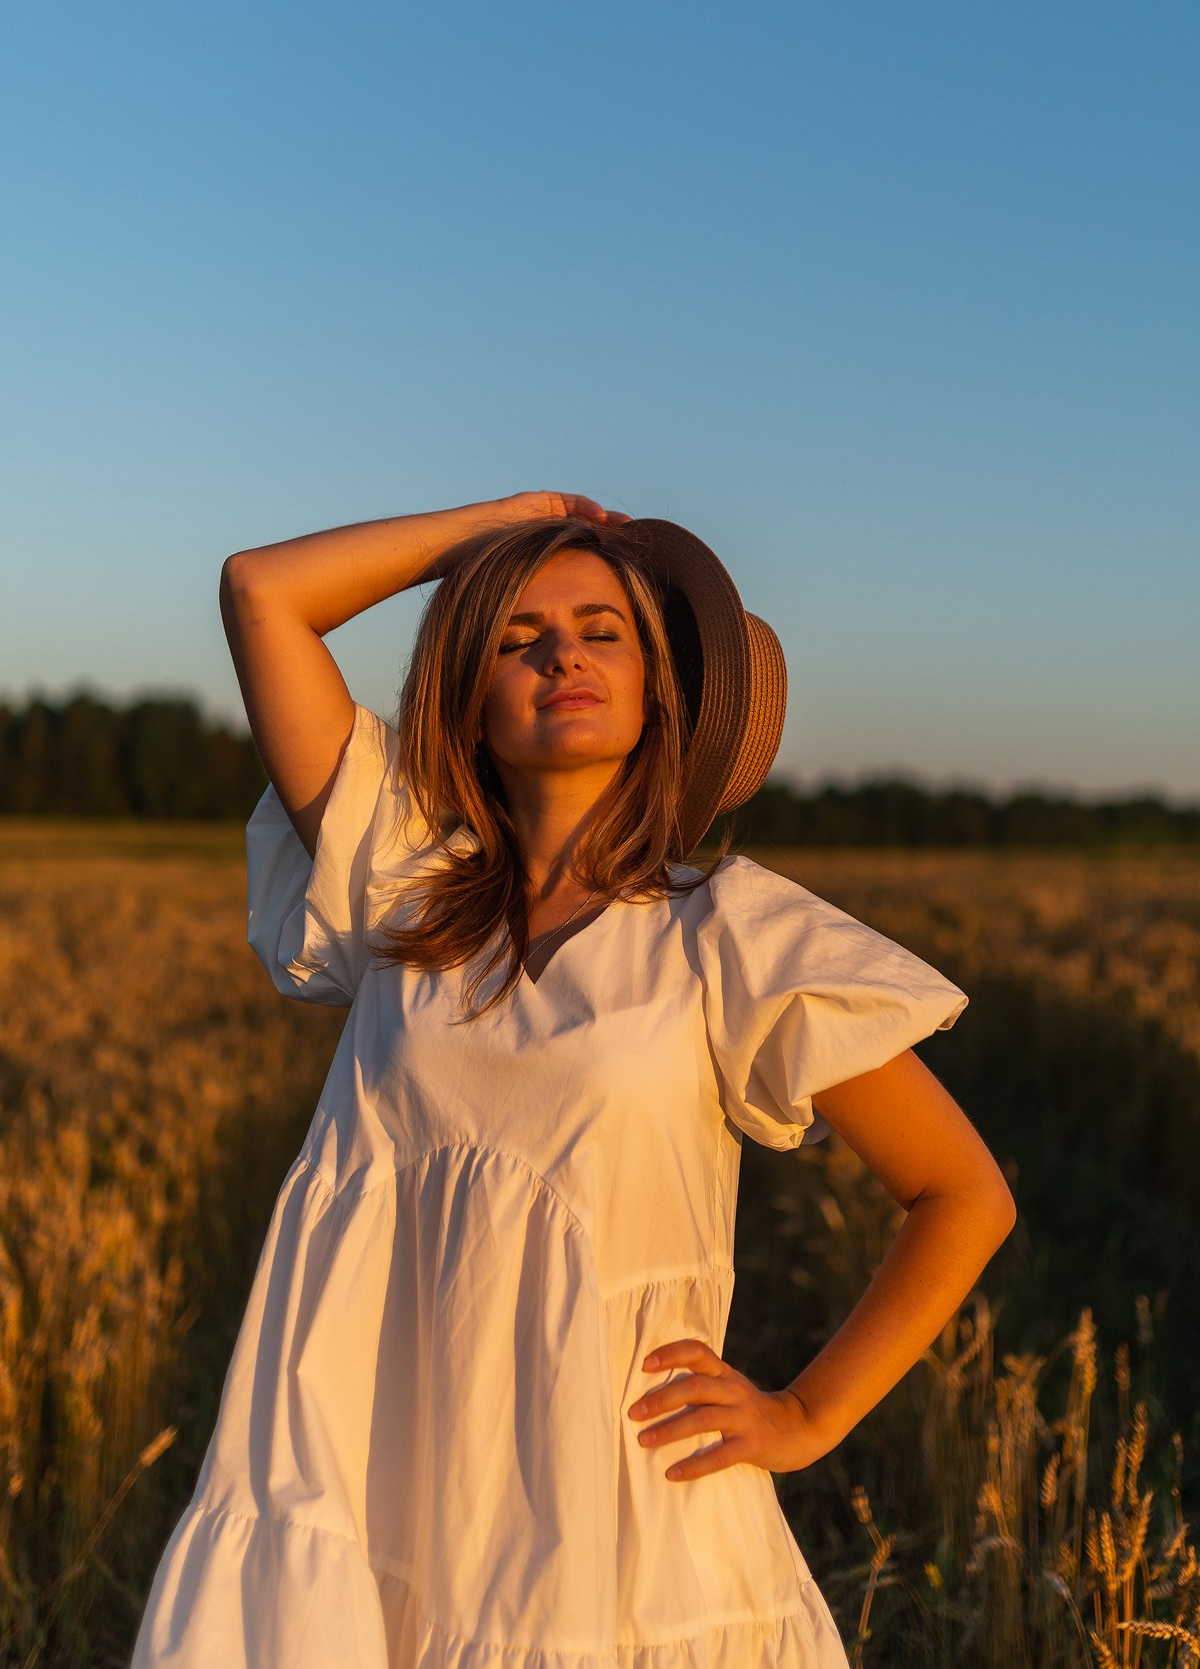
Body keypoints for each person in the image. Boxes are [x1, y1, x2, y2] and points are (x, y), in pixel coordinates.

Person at [131, 490, 1016, 1668]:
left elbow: (963, 1194)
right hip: (370, 1473)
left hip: (611, 1505)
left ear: (659, 693)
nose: (564, 656)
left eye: (604, 632)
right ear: (468, 699)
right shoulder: (400, 877)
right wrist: (513, 524)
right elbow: (263, 592)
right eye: (519, 637)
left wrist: (806, 1414)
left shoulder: (732, 934)